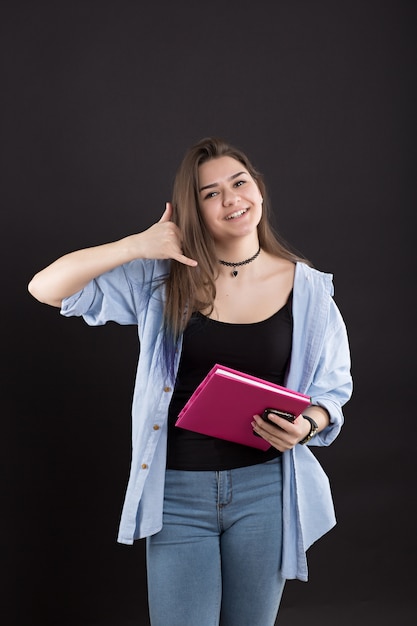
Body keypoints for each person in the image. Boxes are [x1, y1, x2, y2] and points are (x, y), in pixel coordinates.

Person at [28, 136, 352, 626]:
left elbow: (332, 389)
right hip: (177, 493)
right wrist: (137, 245)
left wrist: (307, 424)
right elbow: (46, 288)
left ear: (259, 190)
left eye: (239, 183)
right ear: (193, 210)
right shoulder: (163, 278)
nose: (231, 199)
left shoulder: (309, 289)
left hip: (265, 491)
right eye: (210, 193)